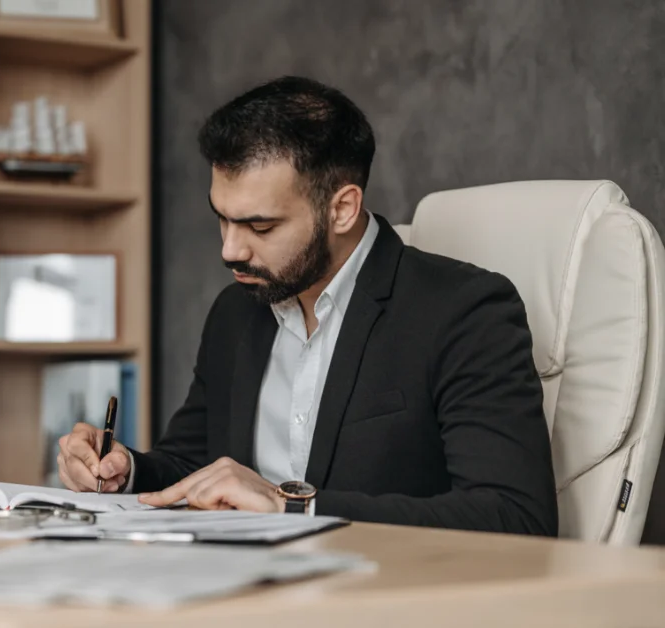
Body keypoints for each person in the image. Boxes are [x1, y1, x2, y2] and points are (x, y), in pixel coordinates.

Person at [56, 76, 558, 536]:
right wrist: (126, 471)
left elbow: (515, 517)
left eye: (260, 227)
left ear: (342, 208)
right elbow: (193, 461)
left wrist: (292, 508)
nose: (230, 249)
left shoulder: (465, 311)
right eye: (222, 219)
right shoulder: (237, 310)